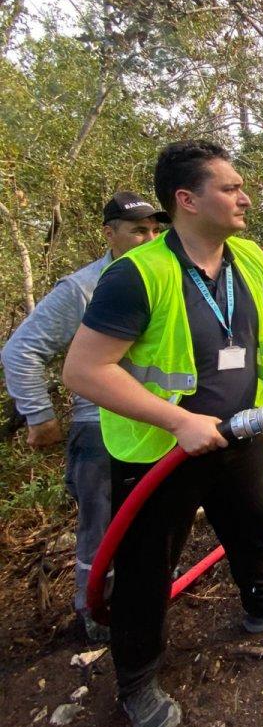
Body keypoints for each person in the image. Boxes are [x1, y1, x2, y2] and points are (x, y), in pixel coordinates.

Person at [63, 140, 263, 727]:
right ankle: (136, 682)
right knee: (144, 571)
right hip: (159, 454)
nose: (245, 198)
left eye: (242, 187)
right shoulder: (136, 276)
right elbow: (83, 372)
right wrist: (176, 421)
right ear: (187, 200)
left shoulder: (250, 258)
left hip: (241, 432)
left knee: (253, 525)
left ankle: (262, 605)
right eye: (230, 188)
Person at [1, 193, 166, 641]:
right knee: (101, 524)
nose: (150, 238)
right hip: (101, 428)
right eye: (138, 230)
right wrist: (39, 415)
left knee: (152, 521)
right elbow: (20, 351)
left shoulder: (168, 274)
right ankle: (95, 611)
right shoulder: (83, 288)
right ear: (109, 233)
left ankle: (143, 600)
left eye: (155, 230)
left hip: (158, 425)